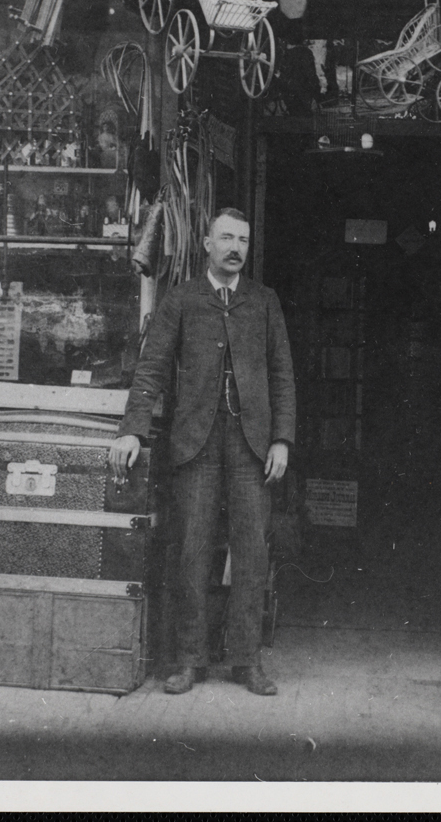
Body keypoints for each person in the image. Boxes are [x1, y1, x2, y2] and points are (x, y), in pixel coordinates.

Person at [109, 208, 296, 696]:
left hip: (252, 445)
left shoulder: (264, 301)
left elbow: (282, 376)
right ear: (208, 245)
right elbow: (151, 368)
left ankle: (245, 661)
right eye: (227, 238)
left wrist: (282, 439)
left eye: (244, 239)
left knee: (252, 554)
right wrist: (133, 430)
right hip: (195, 443)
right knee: (190, 550)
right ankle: (188, 659)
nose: (236, 247)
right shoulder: (182, 299)